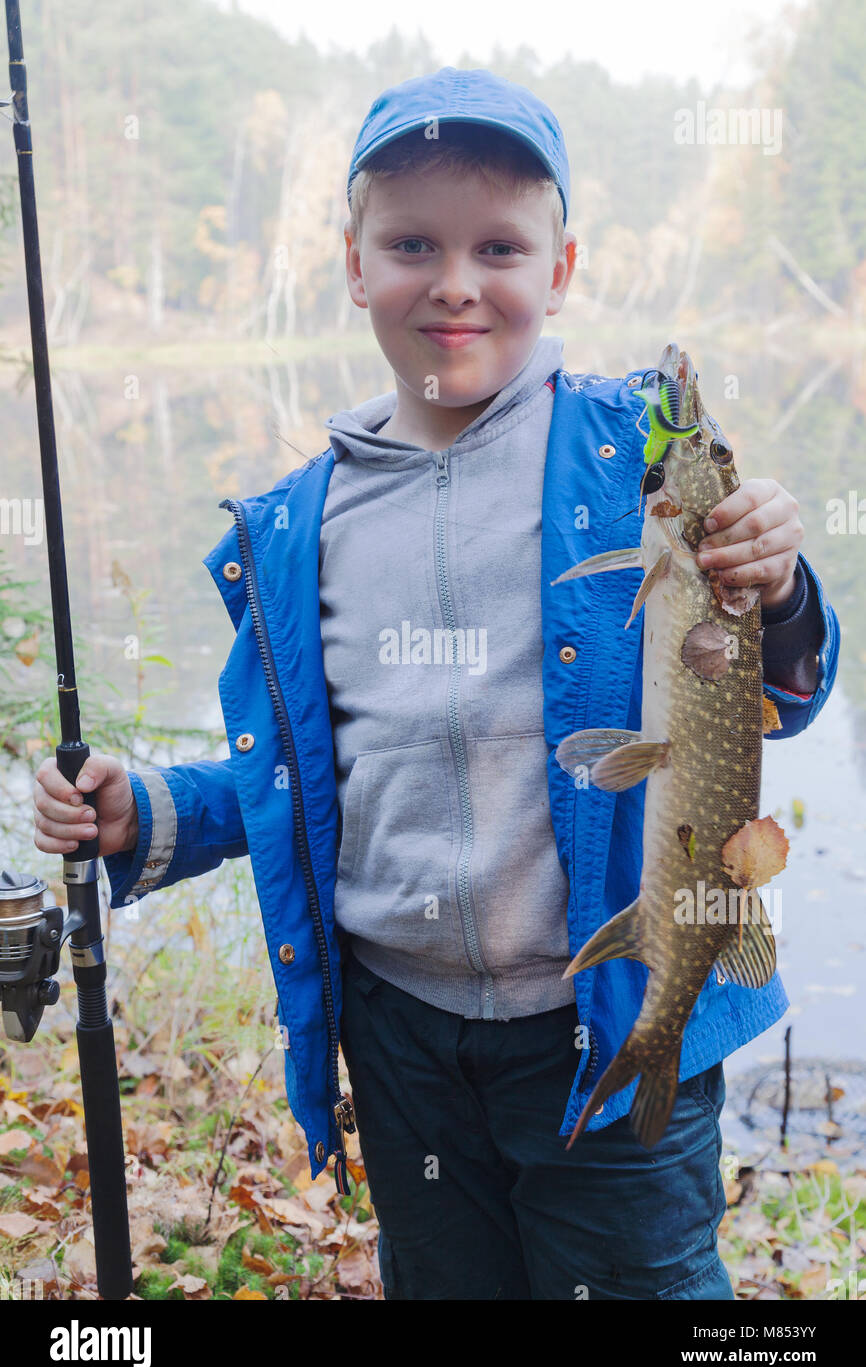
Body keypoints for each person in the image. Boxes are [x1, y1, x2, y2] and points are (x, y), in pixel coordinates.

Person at [32, 68, 840, 1300]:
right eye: (412, 242)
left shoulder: (641, 465)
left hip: (617, 1004)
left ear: (559, 269)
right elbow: (308, 770)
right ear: (353, 266)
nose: (455, 281)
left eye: (497, 246)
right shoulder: (297, 526)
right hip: (401, 1036)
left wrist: (774, 582)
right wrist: (155, 812)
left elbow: (772, 691)